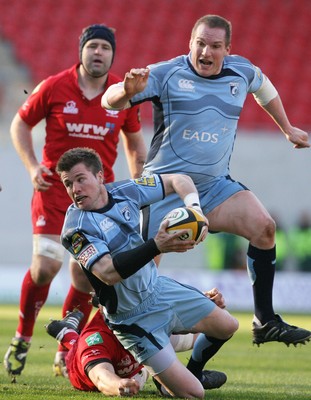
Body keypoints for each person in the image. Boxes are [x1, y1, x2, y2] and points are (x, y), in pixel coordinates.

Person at [101, 14, 311, 347]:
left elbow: (264, 87)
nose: (206, 51)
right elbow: (108, 100)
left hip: (214, 188)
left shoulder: (241, 71)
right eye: (200, 43)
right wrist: (126, 90)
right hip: (163, 190)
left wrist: (286, 127)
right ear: (190, 44)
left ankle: (265, 320)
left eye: (214, 46)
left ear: (227, 49)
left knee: (265, 228)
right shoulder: (168, 73)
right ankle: (116, 342)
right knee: (139, 280)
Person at [4, 24, 146, 380]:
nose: (98, 53)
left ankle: (65, 345)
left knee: (87, 274)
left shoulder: (122, 94)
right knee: (46, 267)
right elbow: (19, 125)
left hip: (100, 201)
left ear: (113, 54)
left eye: (105, 48)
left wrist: (137, 188)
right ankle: (22, 336)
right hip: (54, 191)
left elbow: (134, 144)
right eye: (92, 46)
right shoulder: (53, 86)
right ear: (81, 51)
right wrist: (33, 166)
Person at [55, 147, 238, 398]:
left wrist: (195, 209)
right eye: (68, 184)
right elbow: (108, 273)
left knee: (228, 325)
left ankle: (190, 373)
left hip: (158, 290)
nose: (74, 189)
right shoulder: (75, 229)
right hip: (131, 320)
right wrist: (156, 245)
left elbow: (178, 179)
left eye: (80, 179)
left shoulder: (125, 191)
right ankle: (177, 380)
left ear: (99, 177)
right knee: (195, 395)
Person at [45, 288, 226, 396]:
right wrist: (119, 385)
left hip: (136, 351)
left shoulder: (141, 312)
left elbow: (186, 321)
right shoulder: (95, 340)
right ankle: (67, 333)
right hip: (93, 369)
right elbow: (101, 377)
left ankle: (66, 330)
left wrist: (205, 305)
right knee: (138, 377)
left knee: (195, 336)